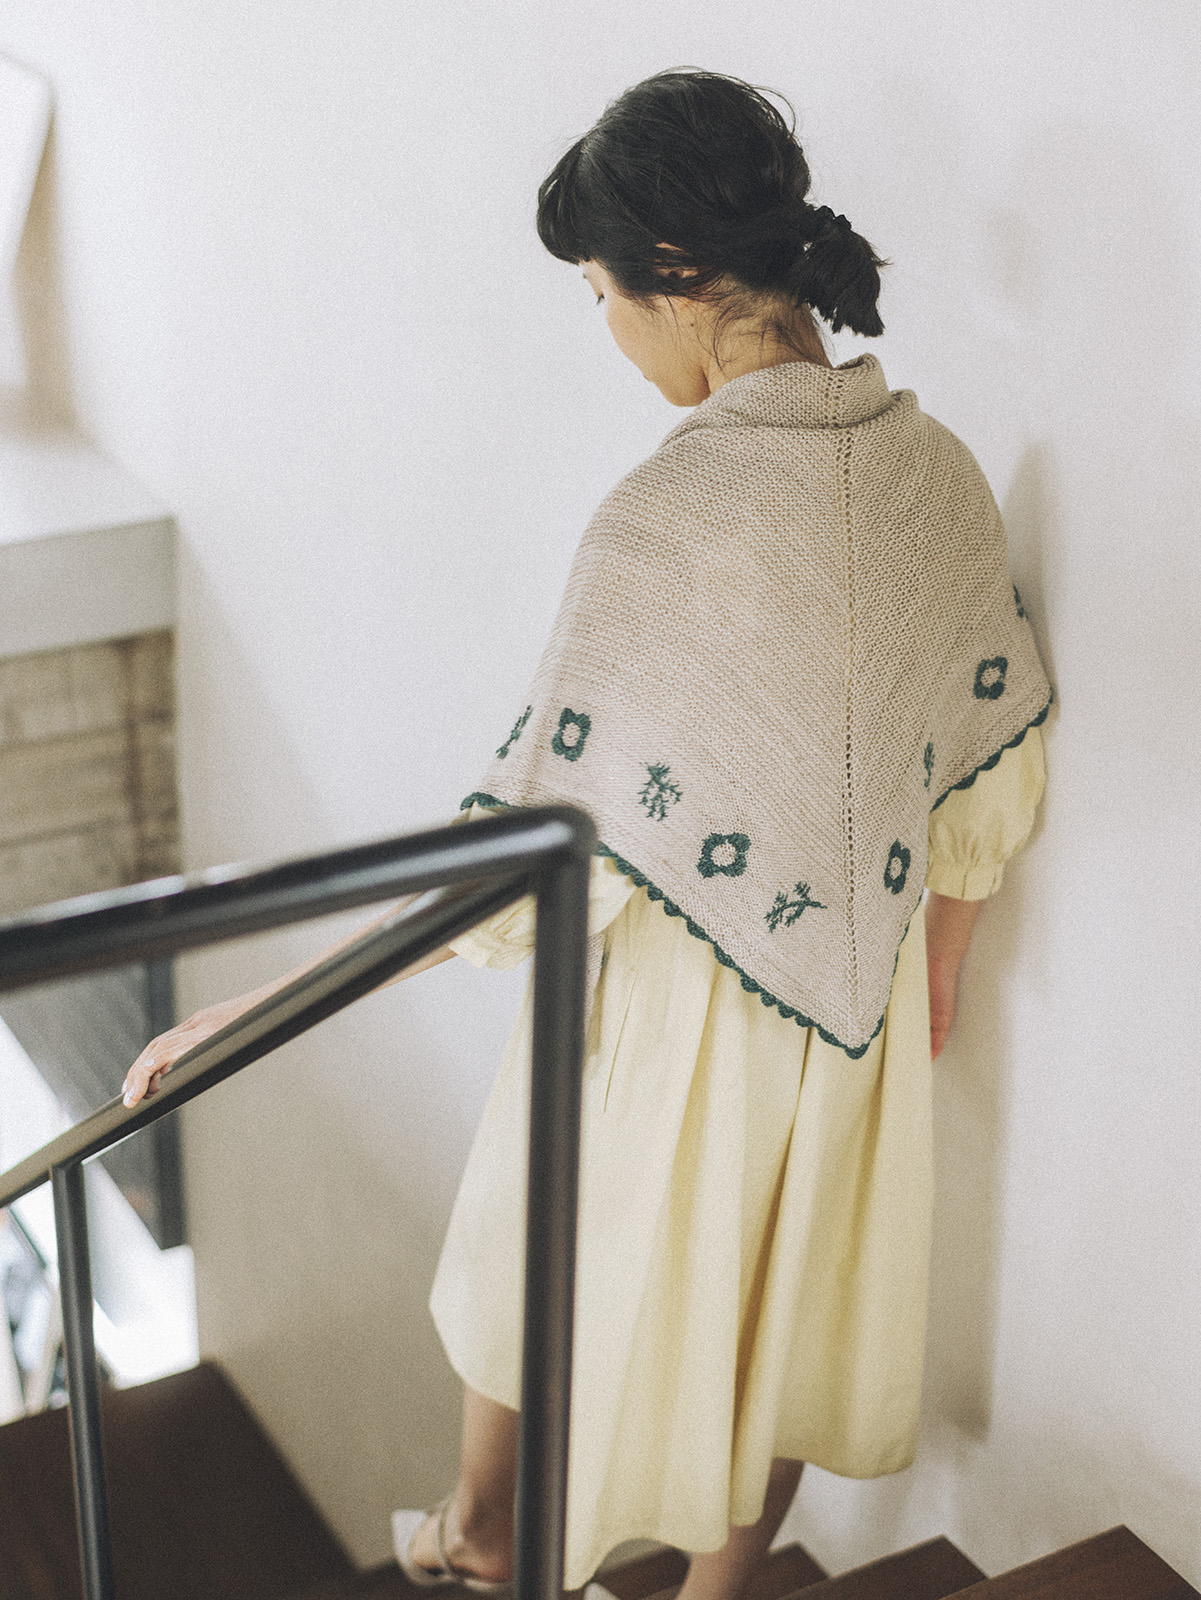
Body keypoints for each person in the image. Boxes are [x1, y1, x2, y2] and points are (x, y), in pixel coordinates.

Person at [123, 68, 1050, 1600]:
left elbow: (516, 854)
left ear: (679, 288)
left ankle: (484, 1543)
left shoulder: (666, 515)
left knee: (525, 1266)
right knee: (780, 1318)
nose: (607, 330)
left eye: (601, 295)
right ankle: (700, 1590)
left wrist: (260, 1007)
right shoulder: (933, 473)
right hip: (851, 1024)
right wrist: (936, 954)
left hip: (672, 1021)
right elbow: (989, 751)